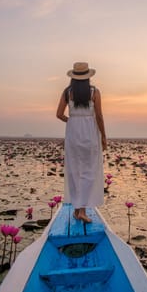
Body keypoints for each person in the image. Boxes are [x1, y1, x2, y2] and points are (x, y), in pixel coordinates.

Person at [56, 62, 107, 223]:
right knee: (88, 171)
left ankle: (78, 209)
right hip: (90, 133)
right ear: (88, 77)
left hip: (72, 133)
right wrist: (104, 136)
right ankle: (82, 210)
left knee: (74, 170)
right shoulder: (94, 92)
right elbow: (99, 116)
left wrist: (72, 121)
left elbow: (59, 114)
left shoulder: (67, 92)